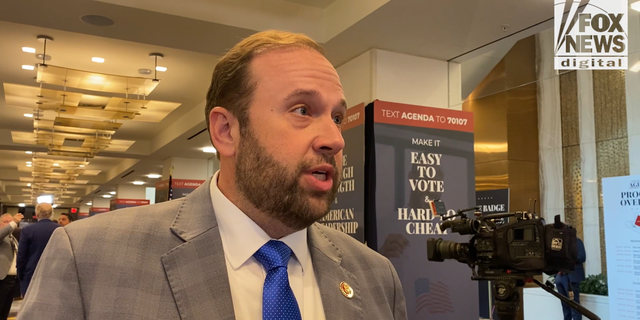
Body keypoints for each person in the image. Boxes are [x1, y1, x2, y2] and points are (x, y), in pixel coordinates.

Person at [17, 30, 407, 320]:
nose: (335, 138)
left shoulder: (376, 277)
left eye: (337, 117)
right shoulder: (89, 257)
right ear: (226, 131)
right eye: (303, 110)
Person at [16, 203, 59, 296]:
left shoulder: (27, 230)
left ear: (37, 214)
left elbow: (21, 256)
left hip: (31, 273)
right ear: (52, 214)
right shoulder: (61, 230)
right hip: (54, 274)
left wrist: (20, 274)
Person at [555, 237, 586, 320]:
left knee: (574, 306)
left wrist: (567, 258)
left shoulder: (577, 241)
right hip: (560, 277)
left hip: (572, 277)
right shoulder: (560, 243)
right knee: (565, 306)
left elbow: (582, 257)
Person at [0, 213, 22, 320]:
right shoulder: (1, 237)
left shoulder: (13, 239)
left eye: (11, 222)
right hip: (2, 280)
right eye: (6, 222)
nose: (9, 224)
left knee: (6, 310)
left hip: (13, 280)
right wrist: (13, 222)